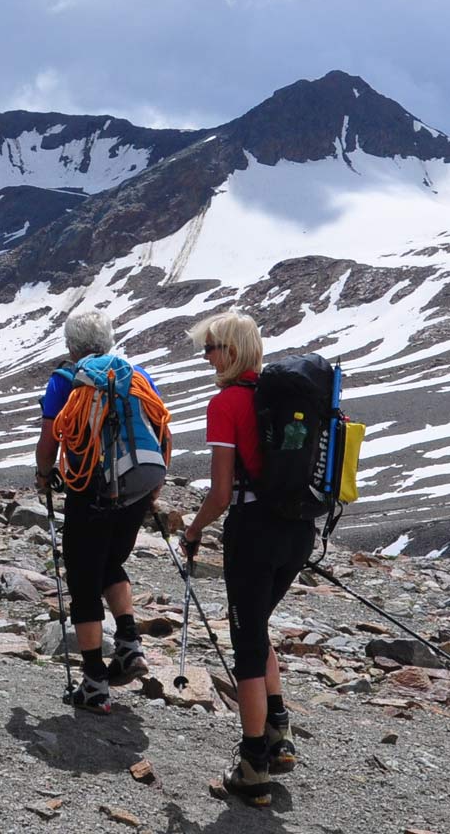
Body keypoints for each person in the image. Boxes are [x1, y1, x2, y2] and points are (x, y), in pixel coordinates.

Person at [180, 310, 312, 806]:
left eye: (210, 348)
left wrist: (193, 529)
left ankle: (253, 766)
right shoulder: (283, 398)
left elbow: (219, 493)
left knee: (248, 645)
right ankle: (278, 733)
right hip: (297, 532)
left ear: (231, 352)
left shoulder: (228, 403)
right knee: (257, 628)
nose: (206, 357)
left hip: (253, 532)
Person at [34, 309, 166, 713]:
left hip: (88, 488)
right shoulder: (137, 375)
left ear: (71, 345)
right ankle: (129, 646)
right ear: (108, 340)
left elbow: (49, 438)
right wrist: (153, 488)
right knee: (112, 562)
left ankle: (93, 684)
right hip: (136, 486)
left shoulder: (65, 381)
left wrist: (43, 476)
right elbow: (160, 428)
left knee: (84, 581)